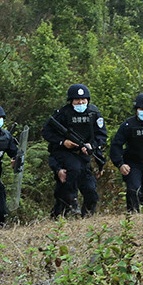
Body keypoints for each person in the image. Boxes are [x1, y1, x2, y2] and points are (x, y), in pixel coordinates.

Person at [42, 83, 107, 218]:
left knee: (90, 191)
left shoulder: (94, 113)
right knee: (74, 170)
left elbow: (101, 135)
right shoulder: (63, 113)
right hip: (64, 153)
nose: (80, 102)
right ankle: (72, 203)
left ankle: (86, 217)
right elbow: (46, 132)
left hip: (84, 155)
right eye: (77, 100)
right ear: (71, 100)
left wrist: (92, 146)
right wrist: (63, 142)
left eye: (83, 100)